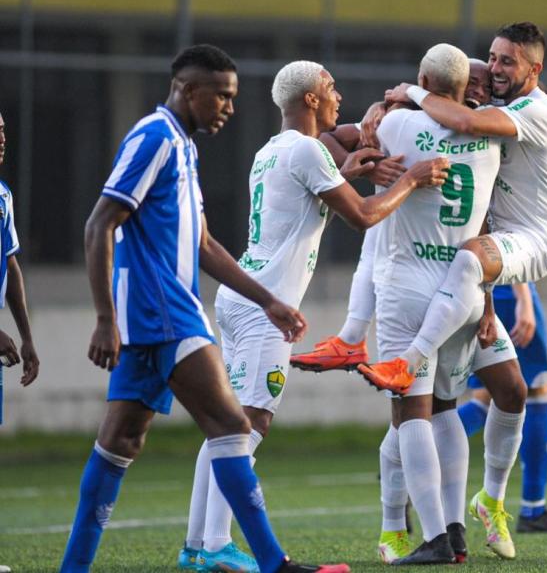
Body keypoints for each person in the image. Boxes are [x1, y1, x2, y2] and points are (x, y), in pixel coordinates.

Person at [59, 44, 349, 573]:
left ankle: (74, 568)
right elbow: (100, 223)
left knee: (119, 443)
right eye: (221, 96)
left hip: (156, 318)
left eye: (232, 98)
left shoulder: (185, 148)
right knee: (233, 426)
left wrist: (270, 301)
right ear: (189, 90)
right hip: (167, 312)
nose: (228, 109)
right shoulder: (155, 138)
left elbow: (204, 245)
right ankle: (269, 562)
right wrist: (104, 317)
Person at [180, 60, 449, 571]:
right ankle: (214, 545)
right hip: (266, 306)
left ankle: (199, 544)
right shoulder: (307, 149)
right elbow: (365, 216)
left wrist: (361, 153)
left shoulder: (273, 149)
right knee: (245, 426)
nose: (338, 96)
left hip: (241, 296)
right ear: (309, 100)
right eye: (330, 88)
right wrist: (413, 178)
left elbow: (310, 194)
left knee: (227, 425)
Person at [293, 58, 527, 562]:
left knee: (413, 412)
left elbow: (329, 144)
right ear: (463, 90)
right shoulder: (491, 139)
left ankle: (437, 536)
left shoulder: (397, 122)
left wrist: (374, 141)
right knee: (444, 408)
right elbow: (484, 224)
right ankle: (440, 529)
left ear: (424, 85)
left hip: (410, 286)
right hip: (459, 292)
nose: (486, 90)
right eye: (479, 83)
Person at [367, 21, 547, 391]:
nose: (494, 69)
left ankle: (408, 361)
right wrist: (382, 106)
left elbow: (464, 119)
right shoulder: (495, 101)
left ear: (534, 69)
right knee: (512, 394)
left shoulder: (539, 111)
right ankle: (357, 338)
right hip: (496, 237)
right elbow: (448, 102)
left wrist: (409, 91)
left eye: (507, 61)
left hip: (537, 238)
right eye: (493, 58)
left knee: (468, 257)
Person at [459, 282, 547, 532]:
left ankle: (407, 459)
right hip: (508, 294)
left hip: (476, 298)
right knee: (540, 390)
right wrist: (524, 300)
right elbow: (504, 246)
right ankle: (533, 509)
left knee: (484, 399)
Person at [0, 111, 40, 573]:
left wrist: (27, 337)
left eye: (5, 129)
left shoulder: (3, 194)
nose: (3, 138)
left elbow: (10, 266)